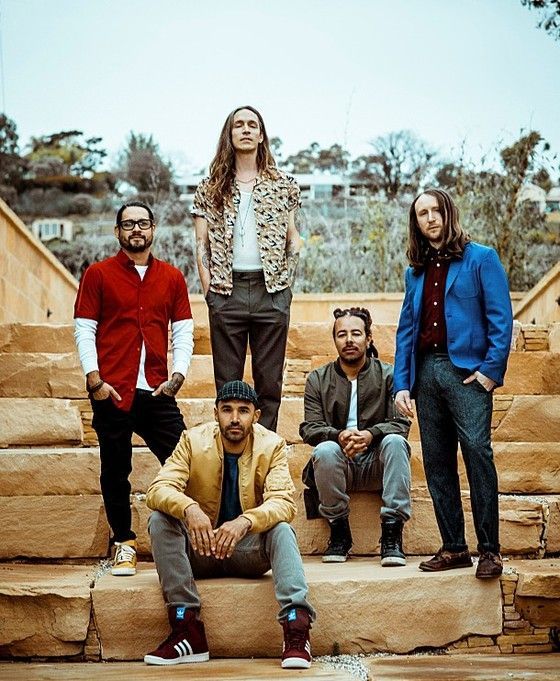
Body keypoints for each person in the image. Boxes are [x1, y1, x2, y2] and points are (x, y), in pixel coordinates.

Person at [144, 380, 314, 668]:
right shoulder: (192, 441)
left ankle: (296, 629)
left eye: (243, 410)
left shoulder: (272, 445)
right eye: (227, 410)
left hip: (247, 552)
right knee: (160, 520)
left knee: (282, 530)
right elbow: (158, 489)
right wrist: (189, 508)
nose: (235, 418)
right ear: (215, 413)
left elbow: (284, 503)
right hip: (200, 548)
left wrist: (246, 521)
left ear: (256, 416)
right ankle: (187, 629)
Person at [394, 188, 513, 579]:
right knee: (437, 462)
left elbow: (501, 319)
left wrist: (489, 373)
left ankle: (490, 551)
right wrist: (402, 384)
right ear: (416, 223)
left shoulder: (482, 258)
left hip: (467, 374)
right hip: (426, 372)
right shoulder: (415, 272)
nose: (430, 218)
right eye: (422, 213)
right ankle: (454, 548)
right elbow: (406, 330)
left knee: (477, 453)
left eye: (435, 210)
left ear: (448, 213)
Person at [74, 200, 193, 576]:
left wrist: (177, 376)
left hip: (156, 390)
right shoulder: (98, 274)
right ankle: (123, 544)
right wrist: (94, 380)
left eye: (143, 222)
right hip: (112, 389)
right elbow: (85, 329)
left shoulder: (172, 277)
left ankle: (192, 537)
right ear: (117, 232)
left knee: (185, 461)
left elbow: (184, 330)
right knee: (115, 469)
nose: (136, 229)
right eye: (128, 224)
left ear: (153, 228)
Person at [192, 105, 301, 432]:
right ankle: (232, 453)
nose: (246, 129)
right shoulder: (210, 187)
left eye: (252, 125)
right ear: (229, 133)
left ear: (261, 135)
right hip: (226, 292)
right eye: (238, 124)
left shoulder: (283, 184)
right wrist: (210, 293)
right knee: (228, 386)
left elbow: (293, 238)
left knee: (270, 382)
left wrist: (286, 288)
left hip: (272, 292)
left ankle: (264, 452)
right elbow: (201, 244)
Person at [300, 308, 411, 566]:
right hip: (340, 465)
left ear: (368, 339)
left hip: (377, 465)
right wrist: (338, 436)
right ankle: (339, 531)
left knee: (396, 442)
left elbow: (401, 423)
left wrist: (371, 435)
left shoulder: (389, 375)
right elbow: (309, 428)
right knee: (324, 450)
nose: (349, 340)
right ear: (335, 340)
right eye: (342, 334)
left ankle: (392, 534)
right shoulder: (317, 379)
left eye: (356, 333)